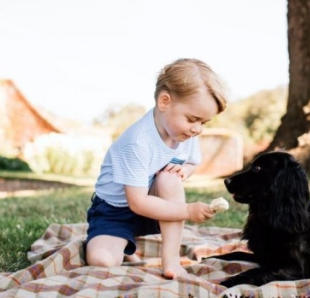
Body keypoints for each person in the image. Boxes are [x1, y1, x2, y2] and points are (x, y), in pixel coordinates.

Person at [85, 58, 228, 279]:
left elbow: (191, 163)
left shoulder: (184, 133)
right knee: (102, 261)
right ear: (164, 102)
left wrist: (184, 172)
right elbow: (137, 202)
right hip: (115, 210)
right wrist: (188, 211)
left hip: (156, 204)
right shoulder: (138, 142)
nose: (197, 129)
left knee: (170, 179)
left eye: (204, 123)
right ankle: (121, 243)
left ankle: (170, 259)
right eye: (193, 119)